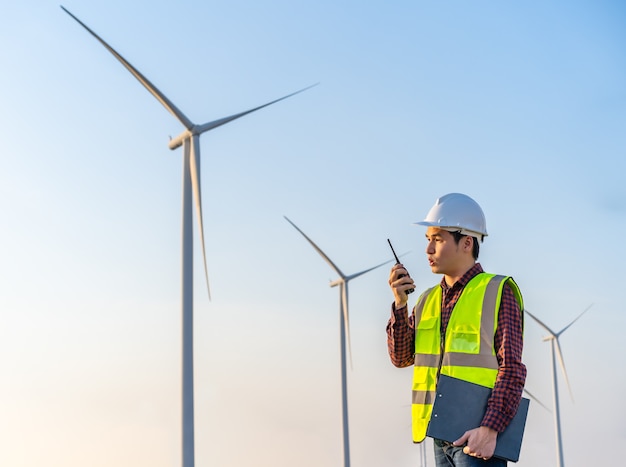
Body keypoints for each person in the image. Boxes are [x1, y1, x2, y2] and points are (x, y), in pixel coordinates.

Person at [386, 193, 526, 466]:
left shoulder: (497, 290)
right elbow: (401, 357)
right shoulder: (427, 300)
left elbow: (512, 368)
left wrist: (490, 429)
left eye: (437, 240)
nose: (428, 250)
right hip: (439, 436)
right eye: (428, 240)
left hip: (478, 438)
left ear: (466, 242)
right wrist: (400, 305)